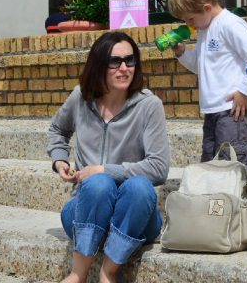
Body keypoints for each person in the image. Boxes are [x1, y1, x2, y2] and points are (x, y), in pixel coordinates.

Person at [47, 31, 170, 283]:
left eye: (130, 60)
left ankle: (108, 273)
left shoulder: (149, 105)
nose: (124, 68)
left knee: (138, 187)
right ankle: (78, 274)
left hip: (133, 216)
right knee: (98, 185)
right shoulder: (80, 97)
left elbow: (158, 167)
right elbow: (58, 129)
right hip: (86, 210)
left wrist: (104, 169)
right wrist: (59, 159)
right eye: (115, 62)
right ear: (99, 65)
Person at [168, 0, 247, 166]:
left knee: (230, 163)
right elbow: (201, 66)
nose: (189, 25)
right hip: (213, 110)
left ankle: (233, 187)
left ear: (206, 8)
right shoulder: (205, 29)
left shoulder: (229, 24)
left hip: (233, 109)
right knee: (210, 162)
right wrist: (182, 53)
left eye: (190, 19)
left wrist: (245, 90)